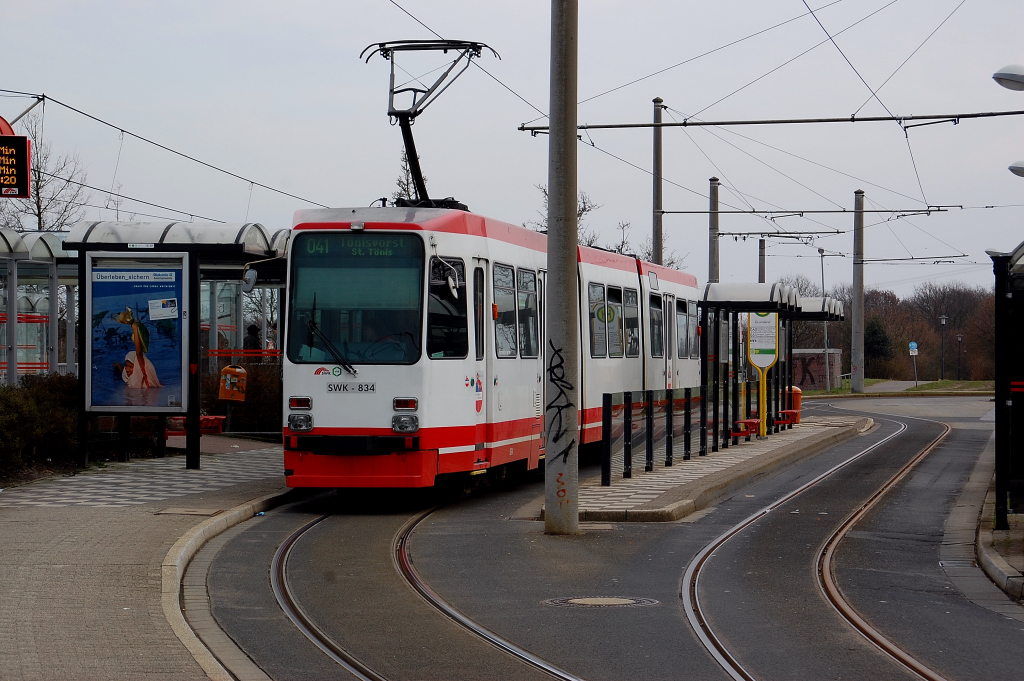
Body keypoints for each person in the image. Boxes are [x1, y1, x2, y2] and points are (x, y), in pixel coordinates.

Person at [113, 307, 162, 388]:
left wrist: (135, 330)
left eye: (131, 367)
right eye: (126, 366)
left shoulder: (143, 371)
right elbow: (124, 372)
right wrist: (119, 366)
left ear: (137, 366)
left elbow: (139, 353)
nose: (127, 369)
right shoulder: (131, 377)